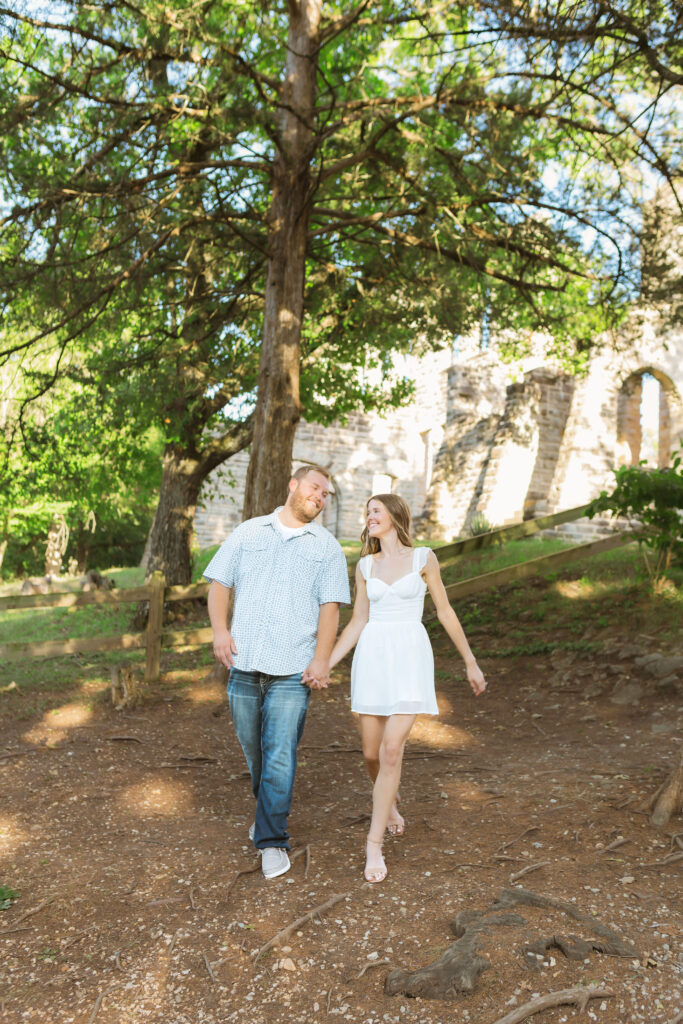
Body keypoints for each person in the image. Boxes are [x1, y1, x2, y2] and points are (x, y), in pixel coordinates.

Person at [329, 493, 486, 883]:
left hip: (410, 659)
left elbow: (445, 611)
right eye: (367, 512)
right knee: (371, 754)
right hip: (373, 659)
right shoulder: (365, 565)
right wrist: (324, 665)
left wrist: (470, 660)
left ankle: (374, 844)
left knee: (392, 750)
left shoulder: (424, 558)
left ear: (396, 516)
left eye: (375, 510)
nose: (369, 517)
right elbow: (356, 622)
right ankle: (391, 806)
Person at [204, 465, 350, 879]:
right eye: (314, 488)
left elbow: (331, 608)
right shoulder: (249, 532)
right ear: (293, 485)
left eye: (326, 494)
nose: (320, 497)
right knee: (257, 755)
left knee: (280, 755)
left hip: (292, 669)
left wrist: (322, 659)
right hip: (244, 663)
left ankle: (272, 840)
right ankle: (267, 813)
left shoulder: (327, 548)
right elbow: (219, 582)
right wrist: (219, 630)